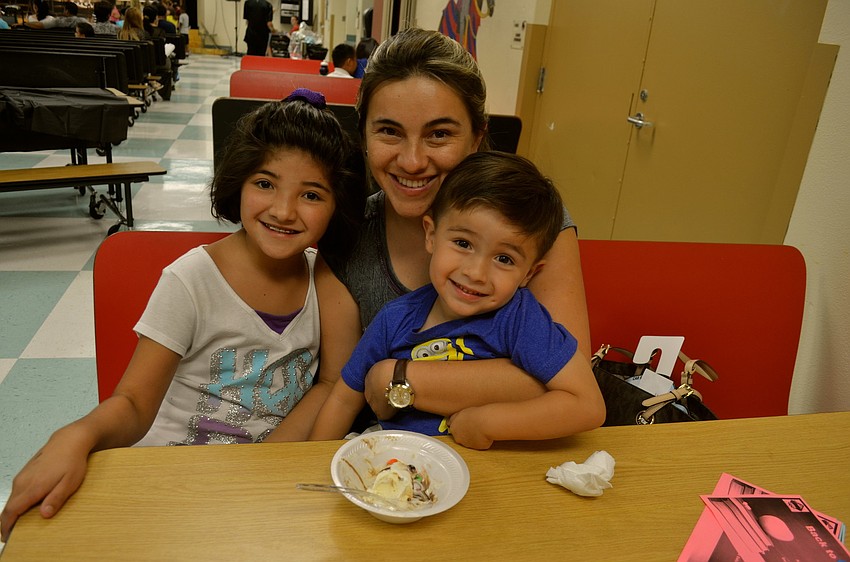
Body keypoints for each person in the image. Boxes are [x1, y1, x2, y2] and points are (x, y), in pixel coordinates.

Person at [0, 90, 366, 542]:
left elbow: (331, 382)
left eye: (311, 194)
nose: (284, 210)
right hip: (173, 473)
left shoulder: (325, 286)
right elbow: (134, 402)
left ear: (336, 206)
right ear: (238, 181)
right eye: (265, 183)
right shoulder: (191, 281)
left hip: (265, 482)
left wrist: (266, 464)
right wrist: (79, 435)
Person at [313, 28, 591, 435]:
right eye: (389, 131)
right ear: (364, 136)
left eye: (439, 134)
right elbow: (340, 388)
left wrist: (397, 377)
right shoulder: (347, 234)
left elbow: (568, 384)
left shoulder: (528, 221)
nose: (411, 161)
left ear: (477, 138)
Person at [310, 152, 604, 449]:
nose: (476, 273)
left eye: (504, 258)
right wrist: (307, 462)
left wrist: (486, 423)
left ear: (529, 273)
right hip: (395, 464)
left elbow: (588, 404)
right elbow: (344, 399)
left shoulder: (520, 319)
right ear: (431, 236)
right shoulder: (394, 318)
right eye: (463, 243)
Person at [19, 1, 84, 29]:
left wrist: (25, 24)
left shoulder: (59, 21)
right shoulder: (83, 20)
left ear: (67, 11)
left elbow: (41, 25)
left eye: (64, 9)